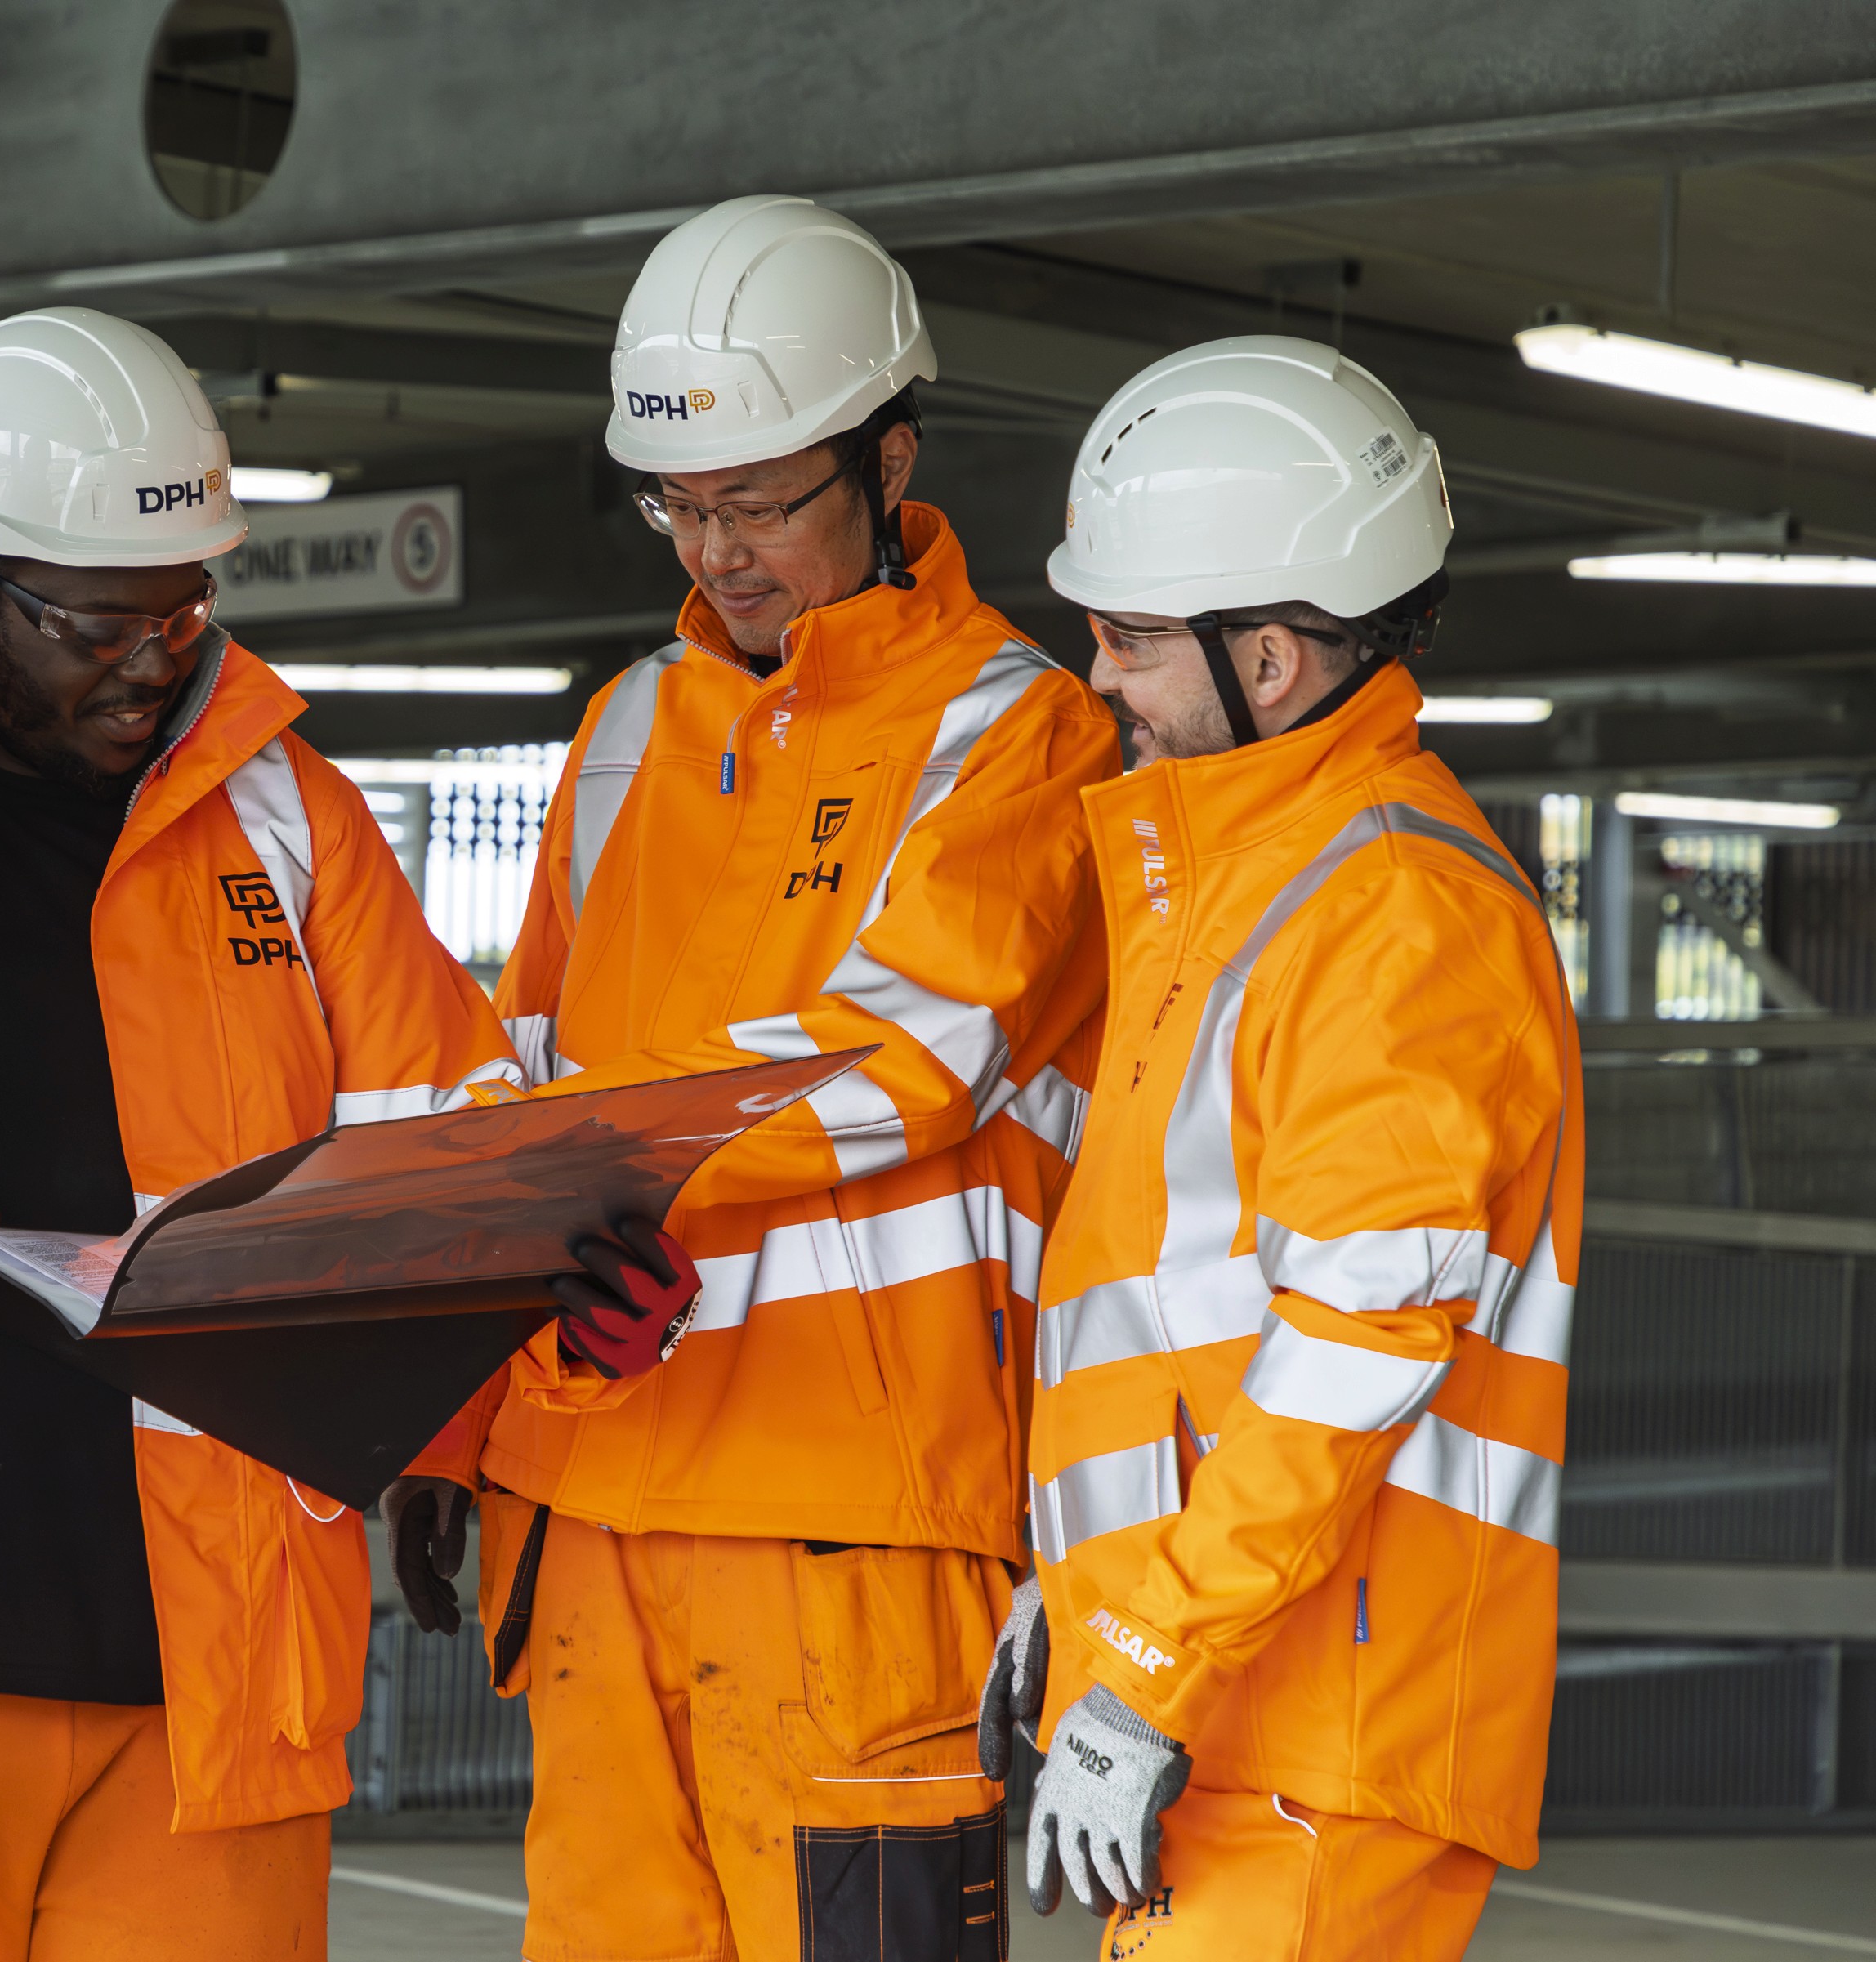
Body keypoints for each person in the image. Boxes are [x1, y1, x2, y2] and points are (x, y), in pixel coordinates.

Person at [0, 304, 628, 1960]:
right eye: (99, 621)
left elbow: (445, 1146)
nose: (156, 658)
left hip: (210, 1696)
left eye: (184, 609)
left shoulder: (289, 816)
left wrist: (484, 1401)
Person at [382, 194, 1120, 1961]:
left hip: (847, 1534)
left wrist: (612, 1200)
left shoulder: (1018, 730)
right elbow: (522, 1083)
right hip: (593, 1507)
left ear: (890, 459)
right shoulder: (629, 725)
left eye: (763, 502)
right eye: (683, 507)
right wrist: (460, 1409)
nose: (719, 550)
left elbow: (902, 1061)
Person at [996, 335, 1579, 1960]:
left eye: (1124, 640)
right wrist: (1083, 1603)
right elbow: (1187, 1335)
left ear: (1268, 653)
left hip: (1311, 1725)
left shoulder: (1394, 915)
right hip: (1239, 1710)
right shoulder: (1250, 897)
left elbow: (1346, 1348)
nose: (1098, 680)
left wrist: (1146, 1667)